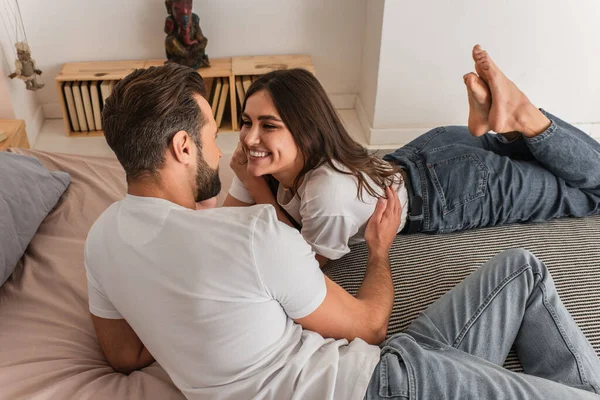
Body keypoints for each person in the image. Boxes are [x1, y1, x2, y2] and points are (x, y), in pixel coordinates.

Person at [85, 62, 600, 399]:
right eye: (209, 135)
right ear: (181, 148)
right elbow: (371, 325)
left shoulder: (102, 240)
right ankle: (526, 120)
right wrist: (378, 254)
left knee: (525, 265)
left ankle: (522, 120)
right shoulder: (253, 236)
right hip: (385, 383)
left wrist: (169, 311)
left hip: (388, 348)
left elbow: (125, 355)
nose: (225, 147)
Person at [224, 45, 600, 266]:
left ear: (305, 130)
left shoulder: (326, 194)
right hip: (429, 149)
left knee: (590, 194)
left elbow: (304, 266)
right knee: (571, 169)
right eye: (245, 121)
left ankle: (524, 118)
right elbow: (223, 221)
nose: (250, 137)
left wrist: (255, 186)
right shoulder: (271, 159)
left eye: (268, 125)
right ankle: (522, 123)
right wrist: (252, 181)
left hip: (454, 191)